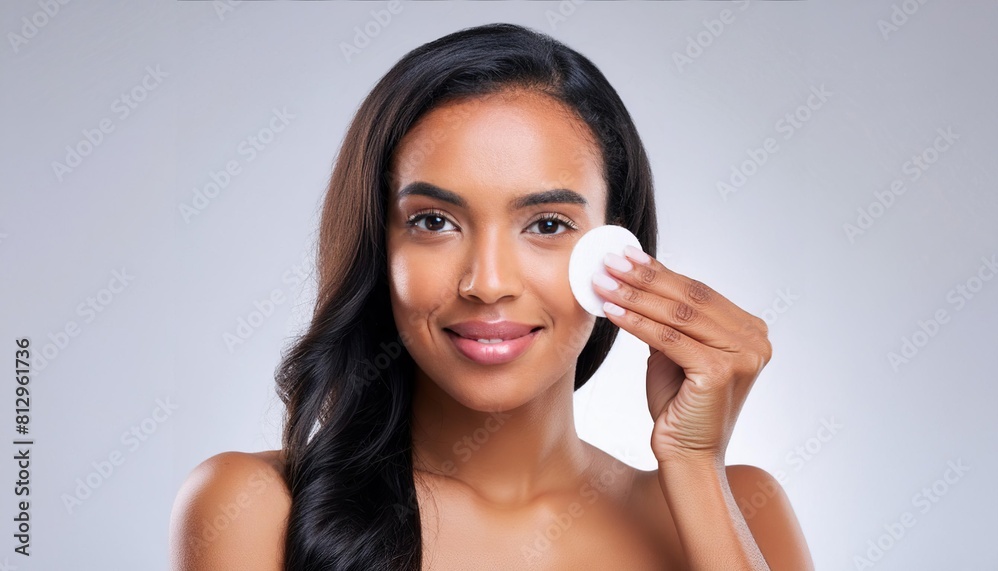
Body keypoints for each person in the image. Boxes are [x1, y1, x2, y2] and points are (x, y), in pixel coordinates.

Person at [169, 22, 813, 570]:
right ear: (379, 246)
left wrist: (695, 467)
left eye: (547, 225)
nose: (488, 283)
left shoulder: (740, 512)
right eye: (433, 221)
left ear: (621, 253)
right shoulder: (253, 507)